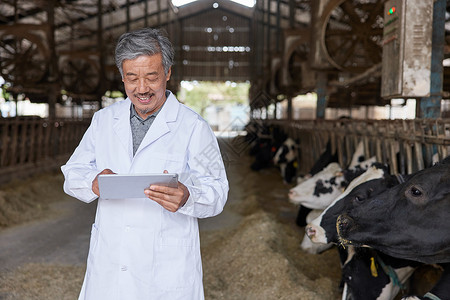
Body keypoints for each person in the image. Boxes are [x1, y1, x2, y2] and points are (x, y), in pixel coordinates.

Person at [61, 27, 229, 300]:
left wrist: (188, 196)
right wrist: (92, 183)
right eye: (132, 78)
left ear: (168, 73)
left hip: (166, 268)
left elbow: (217, 190)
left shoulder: (193, 127)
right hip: (111, 263)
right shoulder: (103, 121)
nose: (142, 89)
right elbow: (72, 173)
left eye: (151, 77)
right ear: (122, 77)